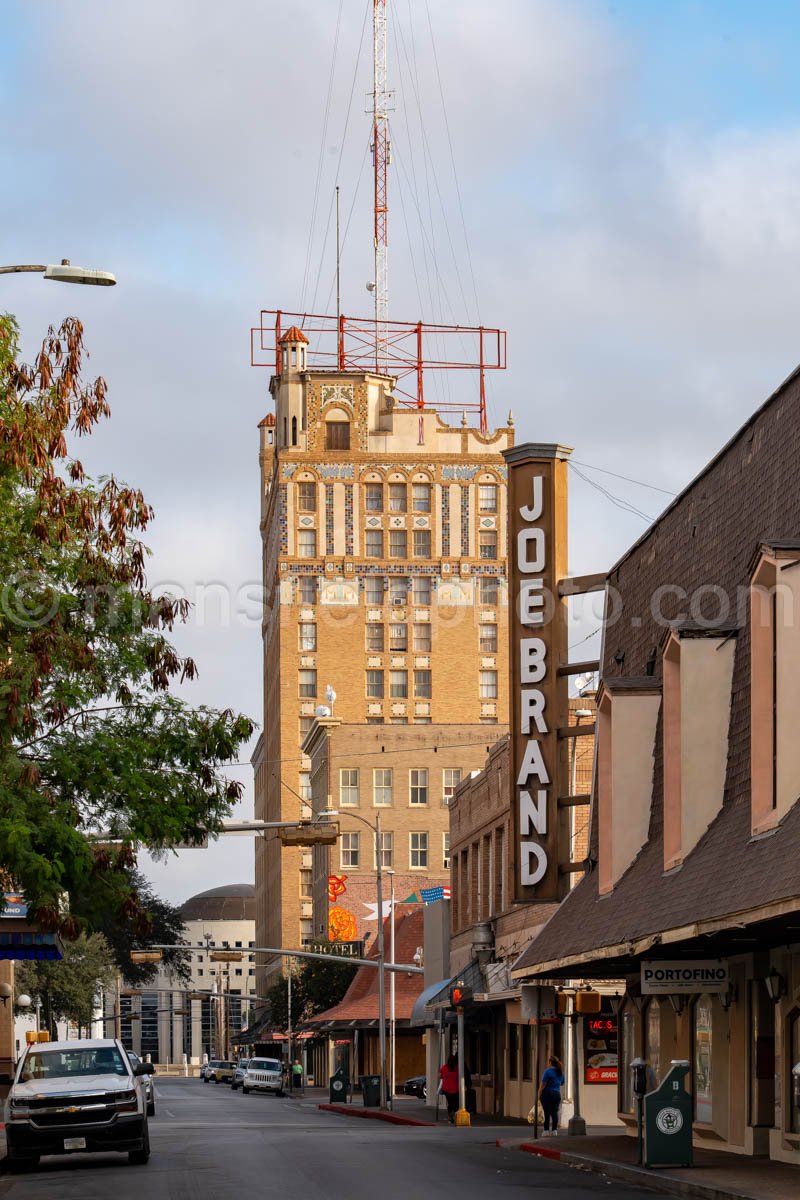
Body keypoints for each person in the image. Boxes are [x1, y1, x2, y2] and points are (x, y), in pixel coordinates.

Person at [538, 1054, 564, 1135]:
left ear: (550, 1062)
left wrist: (539, 1093)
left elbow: (543, 1084)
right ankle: (554, 1130)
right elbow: (562, 1083)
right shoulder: (560, 1072)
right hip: (557, 1094)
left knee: (547, 1112)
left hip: (547, 1093)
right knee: (554, 1112)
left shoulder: (547, 1071)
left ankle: (546, 1130)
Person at [438, 1053, 460, 1123]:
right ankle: (454, 1114)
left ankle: (451, 1116)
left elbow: (440, 1076)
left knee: (450, 1103)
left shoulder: (444, 1067)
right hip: (456, 1089)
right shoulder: (457, 1068)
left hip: (446, 1089)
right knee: (456, 1103)